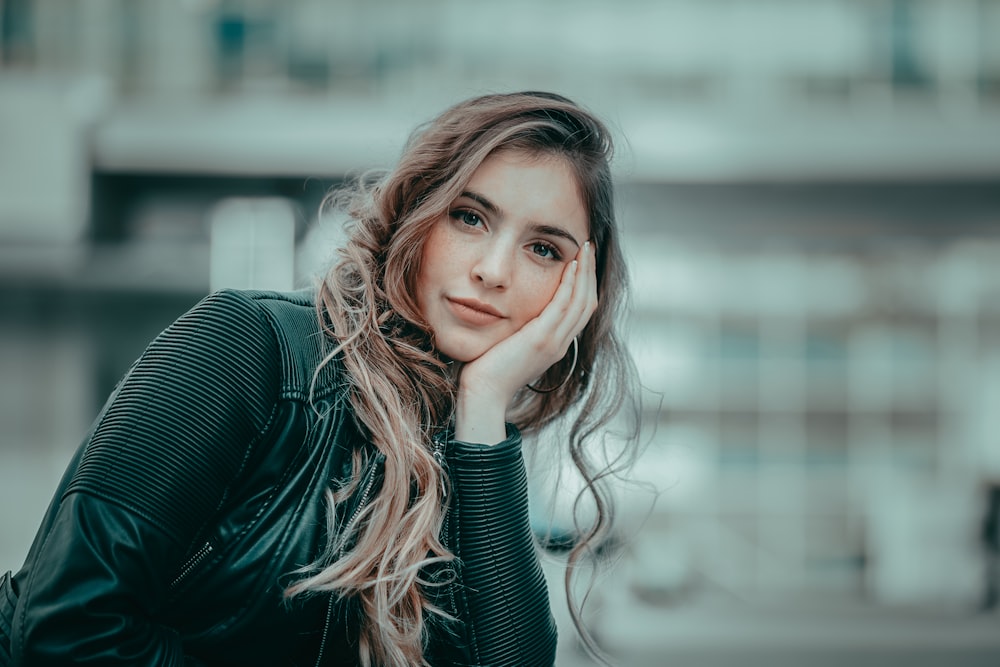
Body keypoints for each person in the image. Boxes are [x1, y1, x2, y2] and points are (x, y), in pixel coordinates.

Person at [0, 91, 640, 667]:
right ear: (419, 211)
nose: (494, 270)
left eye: (544, 249)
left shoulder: (462, 446)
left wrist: (483, 419)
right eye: (470, 217)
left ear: (575, 294)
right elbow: (66, 628)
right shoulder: (249, 344)